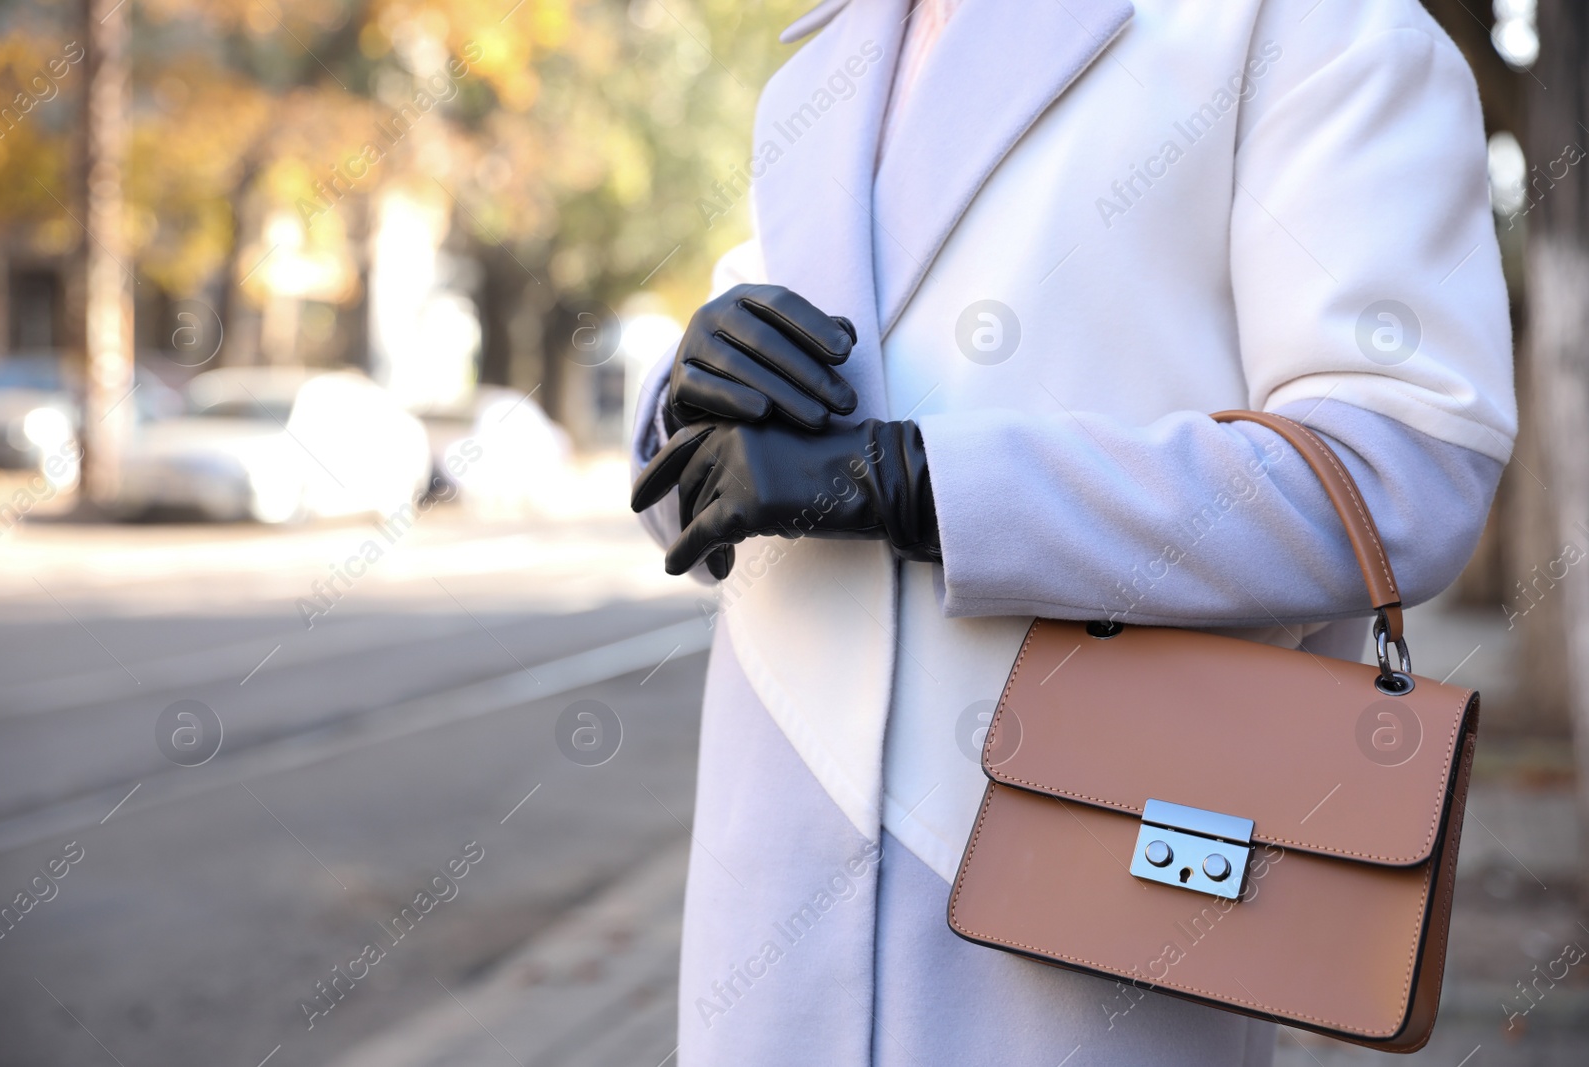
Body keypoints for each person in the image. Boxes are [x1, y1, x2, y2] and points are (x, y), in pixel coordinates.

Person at [629, 1, 1514, 1064]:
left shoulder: (1310, 25)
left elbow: (1395, 479)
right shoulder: (828, 59)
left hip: (1086, 875)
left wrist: (917, 482)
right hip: (768, 882)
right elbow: (715, 502)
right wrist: (689, 406)